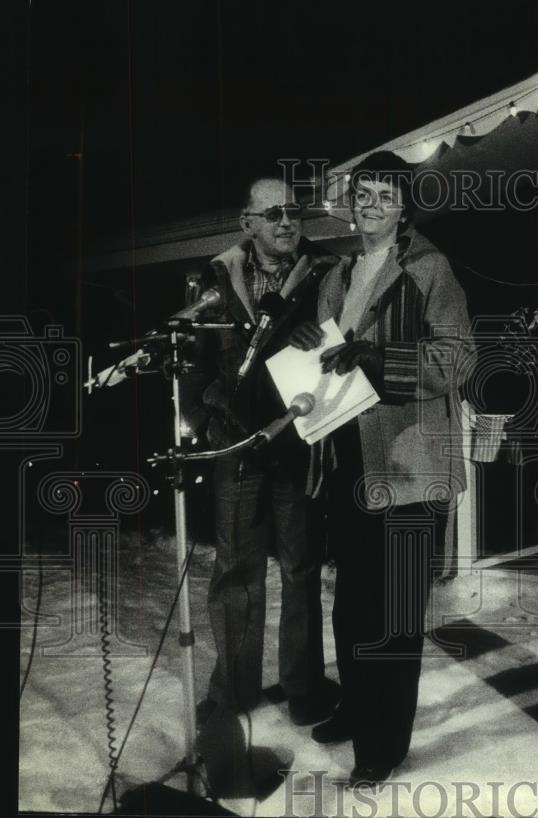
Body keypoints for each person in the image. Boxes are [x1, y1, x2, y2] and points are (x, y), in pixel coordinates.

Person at [289, 151, 474, 788]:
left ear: (404, 208)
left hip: (410, 469)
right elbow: (327, 353)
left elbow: (456, 359)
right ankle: (358, 704)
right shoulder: (336, 274)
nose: (370, 205)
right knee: (353, 605)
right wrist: (310, 350)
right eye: (362, 193)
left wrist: (376, 357)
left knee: (393, 613)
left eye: (385, 196)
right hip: (349, 461)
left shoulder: (429, 267)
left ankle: (384, 744)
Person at [183, 178, 339, 728]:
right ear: (246, 222)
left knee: (301, 569)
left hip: (296, 441)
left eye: (292, 212)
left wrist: (315, 334)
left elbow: (342, 339)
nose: (285, 222)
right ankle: (233, 690)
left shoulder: (324, 273)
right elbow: (195, 354)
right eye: (272, 214)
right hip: (236, 445)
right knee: (236, 571)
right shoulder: (218, 276)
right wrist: (201, 420)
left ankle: (304, 688)